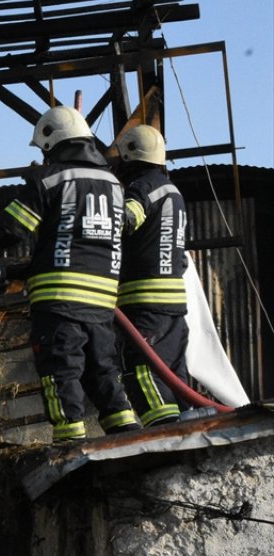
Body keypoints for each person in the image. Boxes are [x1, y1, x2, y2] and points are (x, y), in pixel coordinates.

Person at [0, 106, 141, 442]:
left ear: (52, 143)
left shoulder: (52, 179)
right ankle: (127, 434)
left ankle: (70, 445)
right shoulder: (114, 184)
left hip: (59, 300)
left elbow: (13, 227)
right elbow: (79, 237)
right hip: (102, 300)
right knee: (103, 370)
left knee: (60, 370)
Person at [114, 125, 190, 426]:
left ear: (132, 156)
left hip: (145, 300)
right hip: (173, 302)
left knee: (141, 368)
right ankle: (188, 425)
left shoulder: (144, 187)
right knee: (172, 372)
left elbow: (126, 218)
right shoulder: (173, 192)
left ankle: (162, 432)